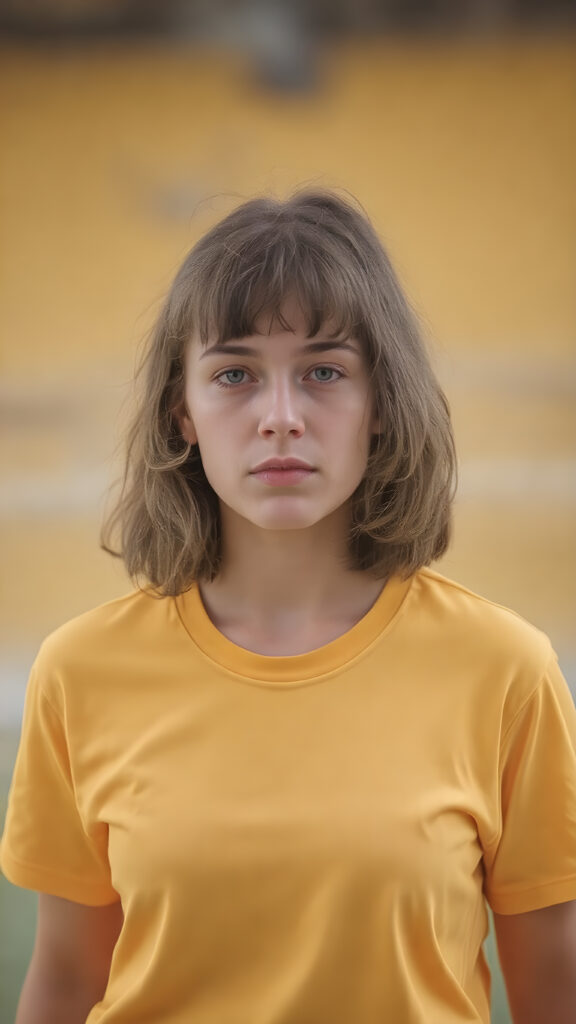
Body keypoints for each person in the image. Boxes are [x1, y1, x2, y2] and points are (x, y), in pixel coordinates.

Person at [1, 189, 575, 1024]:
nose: (280, 418)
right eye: (234, 374)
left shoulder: (507, 672)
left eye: (324, 373)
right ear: (182, 412)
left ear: (380, 404)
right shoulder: (77, 673)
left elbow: (554, 991)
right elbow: (63, 982)